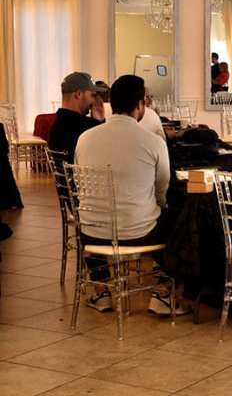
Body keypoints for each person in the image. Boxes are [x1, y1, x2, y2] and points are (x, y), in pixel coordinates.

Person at [75, 75, 184, 315]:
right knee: (181, 218)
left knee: (94, 212)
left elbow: (80, 185)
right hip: (138, 234)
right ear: (140, 104)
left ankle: (101, 291)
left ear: (111, 103)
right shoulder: (153, 142)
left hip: (91, 234)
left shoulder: (84, 139)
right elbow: (162, 190)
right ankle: (162, 293)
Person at [48, 72, 106, 160]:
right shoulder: (86, 126)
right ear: (78, 94)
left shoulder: (57, 123)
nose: (94, 101)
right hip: (83, 173)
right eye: (93, 95)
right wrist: (99, 122)